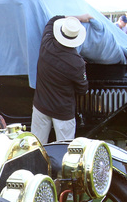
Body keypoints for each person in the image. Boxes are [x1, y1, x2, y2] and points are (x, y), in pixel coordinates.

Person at [31, 14, 91, 144]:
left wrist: (78, 18)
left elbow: (53, 19)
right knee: (64, 149)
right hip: (63, 110)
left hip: (41, 105)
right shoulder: (76, 63)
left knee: (37, 145)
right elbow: (82, 89)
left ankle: (37, 164)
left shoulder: (46, 43)